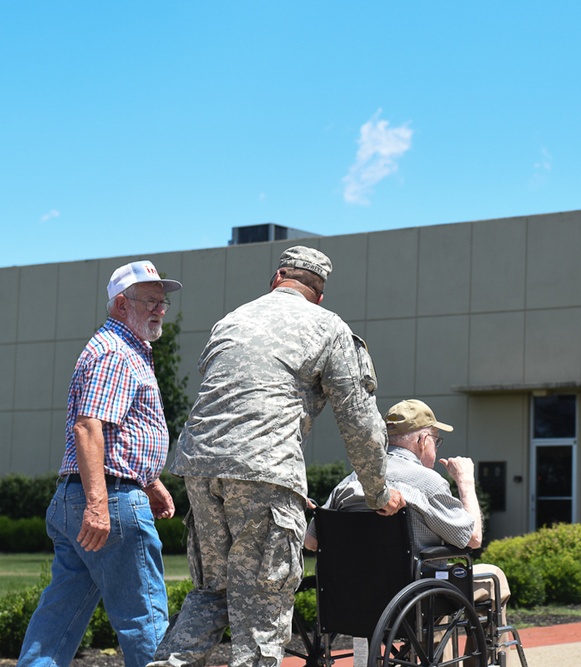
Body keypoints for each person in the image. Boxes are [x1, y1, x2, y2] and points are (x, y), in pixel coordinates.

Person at [151, 246, 404, 667]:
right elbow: (359, 423)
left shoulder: (231, 320)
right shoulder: (328, 326)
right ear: (319, 295)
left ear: (277, 278)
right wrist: (378, 492)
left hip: (198, 465)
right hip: (264, 467)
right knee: (262, 609)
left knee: (209, 595)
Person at [18, 260, 182, 667]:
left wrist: (148, 480)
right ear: (121, 304)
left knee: (58, 620)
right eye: (150, 301)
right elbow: (90, 427)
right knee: (145, 619)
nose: (160, 308)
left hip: (81, 496)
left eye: (163, 302)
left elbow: (114, 434)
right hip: (107, 499)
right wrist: (99, 503)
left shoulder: (121, 349)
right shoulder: (116, 351)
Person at [305, 398, 510, 664]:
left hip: (353, 599)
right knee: (494, 577)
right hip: (413, 597)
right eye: (436, 441)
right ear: (423, 440)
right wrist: (465, 483)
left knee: (433, 581)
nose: (435, 448)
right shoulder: (428, 481)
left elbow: (311, 542)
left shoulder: (353, 480)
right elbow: (473, 538)